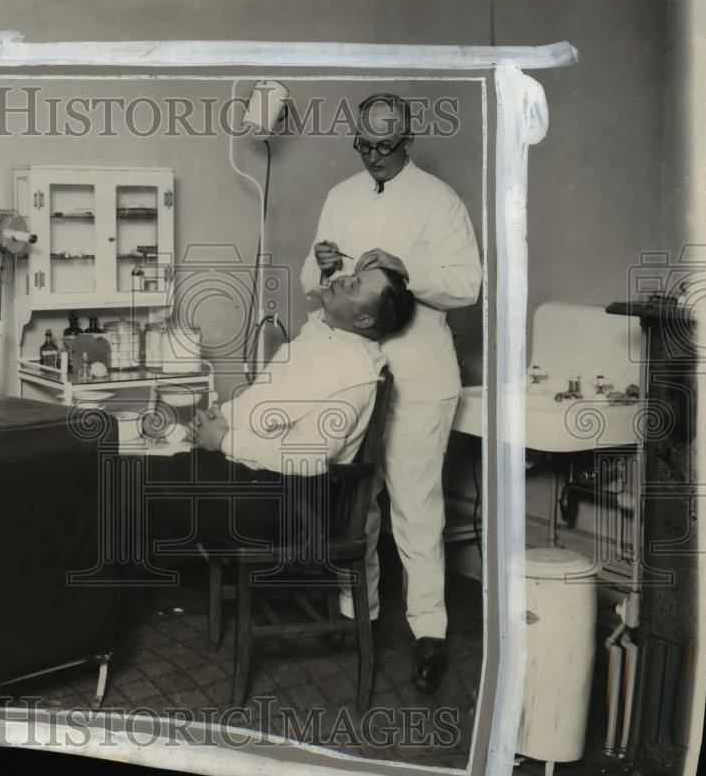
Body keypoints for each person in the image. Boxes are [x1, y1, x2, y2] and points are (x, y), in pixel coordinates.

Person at [299, 92, 482, 695]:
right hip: (354, 371)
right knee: (358, 504)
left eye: (386, 145)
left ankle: (429, 632)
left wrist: (406, 268)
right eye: (364, 144)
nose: (374, 156)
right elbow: (312, 282)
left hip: (420, 376)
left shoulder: (438, 200)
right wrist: (321, 263)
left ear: (407, 140)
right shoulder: (341, 197)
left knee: (415, 505)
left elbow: (467, 287)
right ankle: (360, 615)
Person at [141, 266, 415, 559]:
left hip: (283, 504)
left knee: (121, 491)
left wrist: (223, 440)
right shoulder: (320, 340)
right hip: (249, 479)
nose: (343, 279)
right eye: (351, 276)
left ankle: (103, 598)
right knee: (121, 476)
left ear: (364, 319)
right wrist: (222, 419)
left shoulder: (355, 373)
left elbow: (311, 457)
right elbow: (266, 404)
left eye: (354, 286)